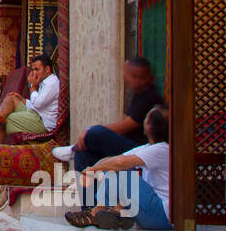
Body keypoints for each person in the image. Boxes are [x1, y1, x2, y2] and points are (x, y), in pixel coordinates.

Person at [55, 57, 165, 200]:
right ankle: (90, 210)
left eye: (139, 77)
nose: (134, 80)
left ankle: (74, 148)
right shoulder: (138, 94)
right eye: (131, 76)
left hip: (140, 151)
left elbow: (125, 127)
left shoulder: (149, 96)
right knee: (83, 156)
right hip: (130, 146)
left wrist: (89, 131)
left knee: (96, 132)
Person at [65, 106, 172, 230]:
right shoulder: (149, 147)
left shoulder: (163, 149)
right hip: (153, 213)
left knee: (120, 170)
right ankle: (115, 213)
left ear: (149, 127)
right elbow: (114, 159)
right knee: (114, 167)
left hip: (161, 216)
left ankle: (95, 213)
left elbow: (120, 163)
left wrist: (91, 171)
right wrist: (93, 168)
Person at [0, 54, 59, 138]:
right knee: (12, 98)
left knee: (6, 120)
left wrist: (31, 86)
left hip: (43, 122)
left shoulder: (51, 83)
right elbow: (37, 104)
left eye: (37, 69)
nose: (34, 73)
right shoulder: (44, 82)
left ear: (47, 69)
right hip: (37, 114)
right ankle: (0, 115)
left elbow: (38, 104)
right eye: (32, 70)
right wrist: (22, 99)